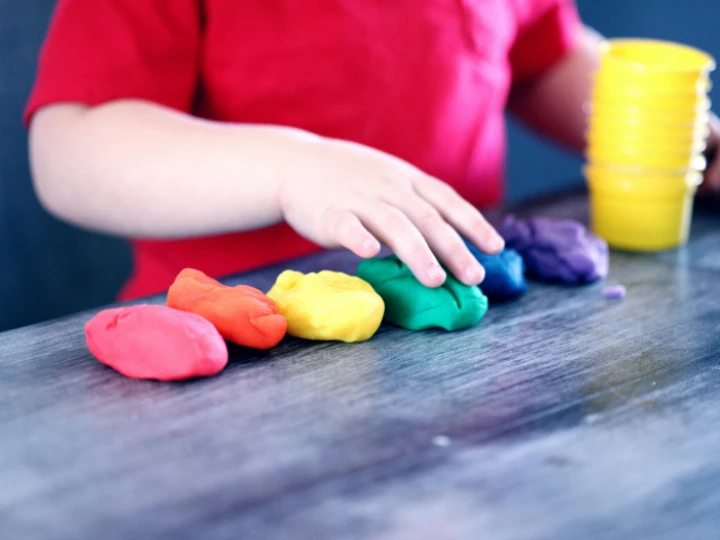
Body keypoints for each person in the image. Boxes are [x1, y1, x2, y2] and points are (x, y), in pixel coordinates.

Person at [25, 0, 720, 301]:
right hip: (234, 350)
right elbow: (73, 150)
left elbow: (540, 57)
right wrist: (292, 169)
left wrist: (670, 130)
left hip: (461, 323)